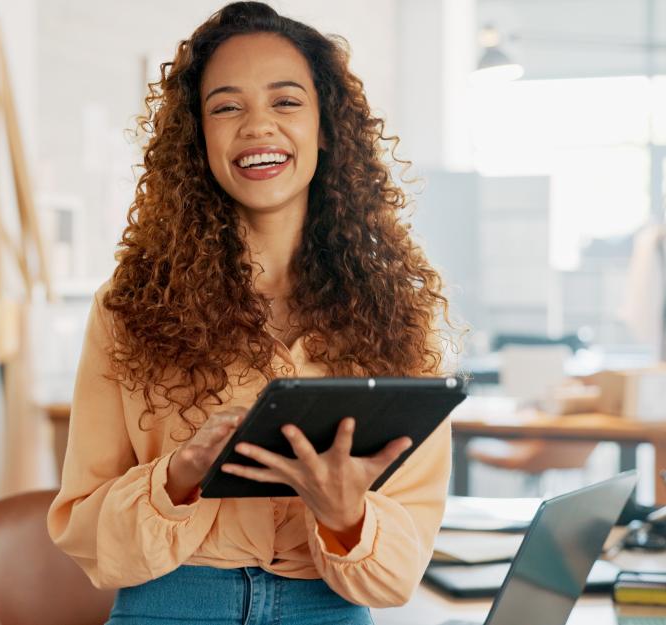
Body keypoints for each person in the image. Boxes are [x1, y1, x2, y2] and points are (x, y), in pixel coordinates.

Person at [47, 3, 454, 623]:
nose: (258, 126)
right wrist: (179, 477)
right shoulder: (127, 309)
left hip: (329, 609)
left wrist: (345, 515)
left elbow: (399, 572)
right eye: (226, 106)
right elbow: (83, 532)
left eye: (286, 102)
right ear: (199, 137)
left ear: (324, 127)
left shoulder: (401, 316)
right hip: (173, 604)